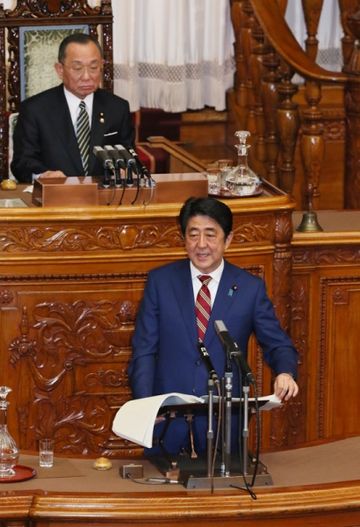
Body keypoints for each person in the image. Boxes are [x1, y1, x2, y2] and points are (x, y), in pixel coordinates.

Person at [128, 196, 299, 456]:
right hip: (166, 422)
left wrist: (285, 372)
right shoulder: (160, 282)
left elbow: (278, 343)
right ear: (183, 238)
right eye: (193, 235)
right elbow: (144, 350)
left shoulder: (249, 288)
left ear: (227, 240)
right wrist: (145, 406)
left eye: (210, 235)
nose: (201, 245)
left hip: (224, 423)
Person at [11, 33, 135, 183]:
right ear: (60, 70)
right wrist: (42, 175)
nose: (87, 76)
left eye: (94, 67)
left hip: (103, 198)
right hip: (55, 198)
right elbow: (22, 162)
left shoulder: (117, 108)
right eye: (77, 68)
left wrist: (126, 170)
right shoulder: (35, 110)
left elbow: (128, 155)